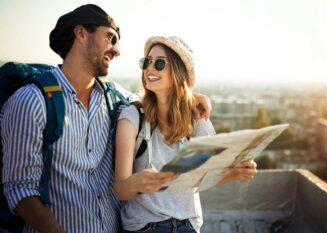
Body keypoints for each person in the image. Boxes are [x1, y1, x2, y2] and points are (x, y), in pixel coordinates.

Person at [0, 5, 212, 233]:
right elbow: (21, 191)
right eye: (111, 38)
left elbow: (159, 99)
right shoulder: (32, 101)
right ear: (81, 34)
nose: (117, 50)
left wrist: (189, 96)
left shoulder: (115, 98)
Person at [114, 36, 257, 233]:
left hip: (189, 226)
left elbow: (203, 177)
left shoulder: (197, 118)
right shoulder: (132, 117)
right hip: (146, 227)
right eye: (146, 62)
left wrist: (236, 172)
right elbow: (120, 189)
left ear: (178, 72)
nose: (150, 68)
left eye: (160, 63)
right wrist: (138, 183)